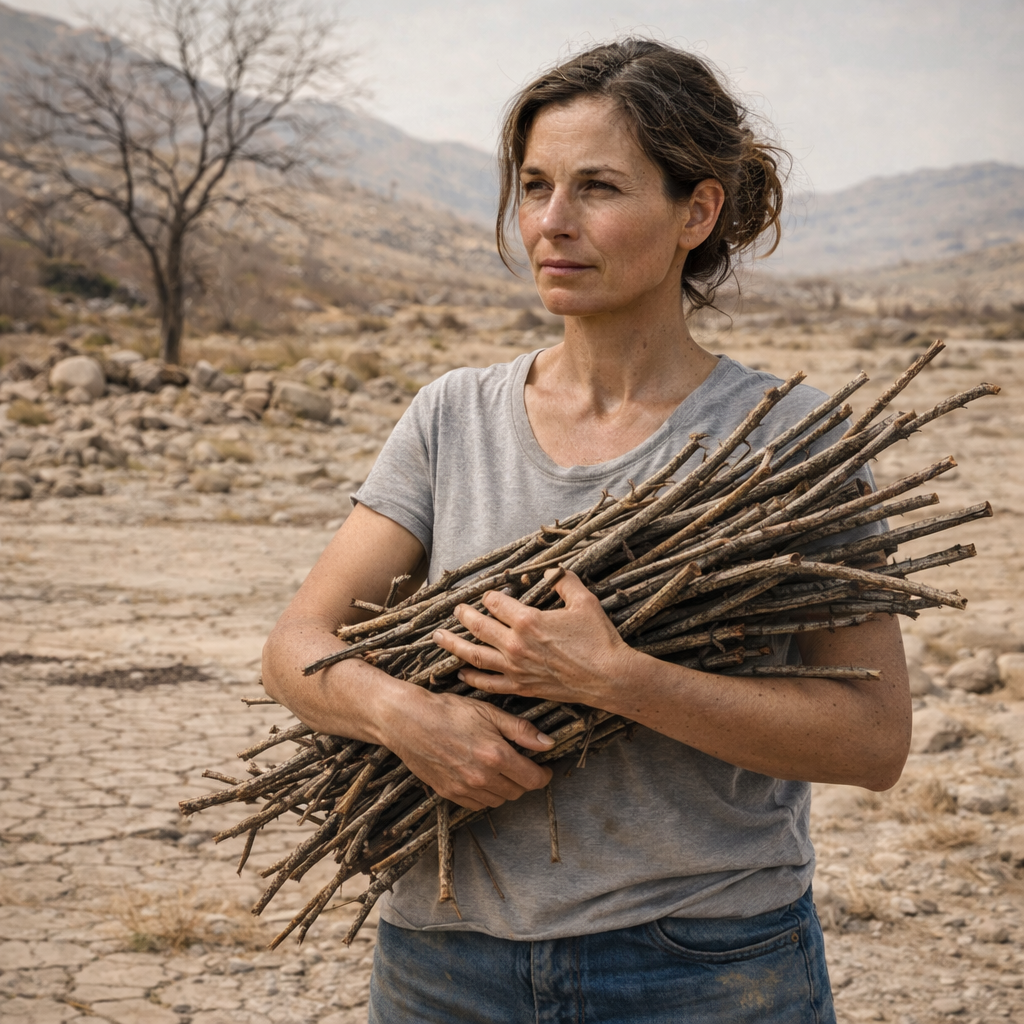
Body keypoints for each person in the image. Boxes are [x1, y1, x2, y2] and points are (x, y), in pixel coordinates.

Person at [263, 38, 911, 1023]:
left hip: (701, 959)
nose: (551, 224)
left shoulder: (791, 443)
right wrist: (409, 717)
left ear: (695, 210)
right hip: (446, 957)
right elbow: (296, 647)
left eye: (598, 188)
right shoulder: (452, 415)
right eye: (534, 187)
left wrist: (619, 680)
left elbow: (872, 740)